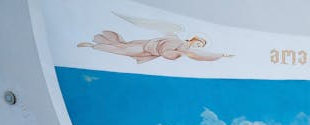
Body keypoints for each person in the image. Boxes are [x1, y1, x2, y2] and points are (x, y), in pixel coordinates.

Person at [78, 32, 232, 63]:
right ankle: (94, 45)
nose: (198, 46)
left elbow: (203, 56)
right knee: (124, 47)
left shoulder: (183, 51)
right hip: (146, 44)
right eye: (198, 43)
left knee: (123, 51)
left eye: (200, 46)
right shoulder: (178, 41)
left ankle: (93, 46)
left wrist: (221, 55)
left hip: (148, 50)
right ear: (193, 40)